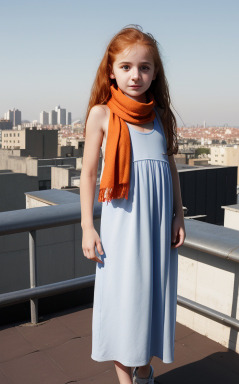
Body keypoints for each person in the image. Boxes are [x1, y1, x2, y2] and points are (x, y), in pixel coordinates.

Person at [80, 25, 186, 384]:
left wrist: (179, 216)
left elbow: (170, 167)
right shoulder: (102, 114)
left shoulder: (160, 117)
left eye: (144, 67)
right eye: (125, 67)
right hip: (122, 229)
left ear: (155, 72)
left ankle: (144, 373)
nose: (135, 75)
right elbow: (89, 174)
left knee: (151, 300)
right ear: (111, 70)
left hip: (157, 228)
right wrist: (87, 227)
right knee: (124, 302)